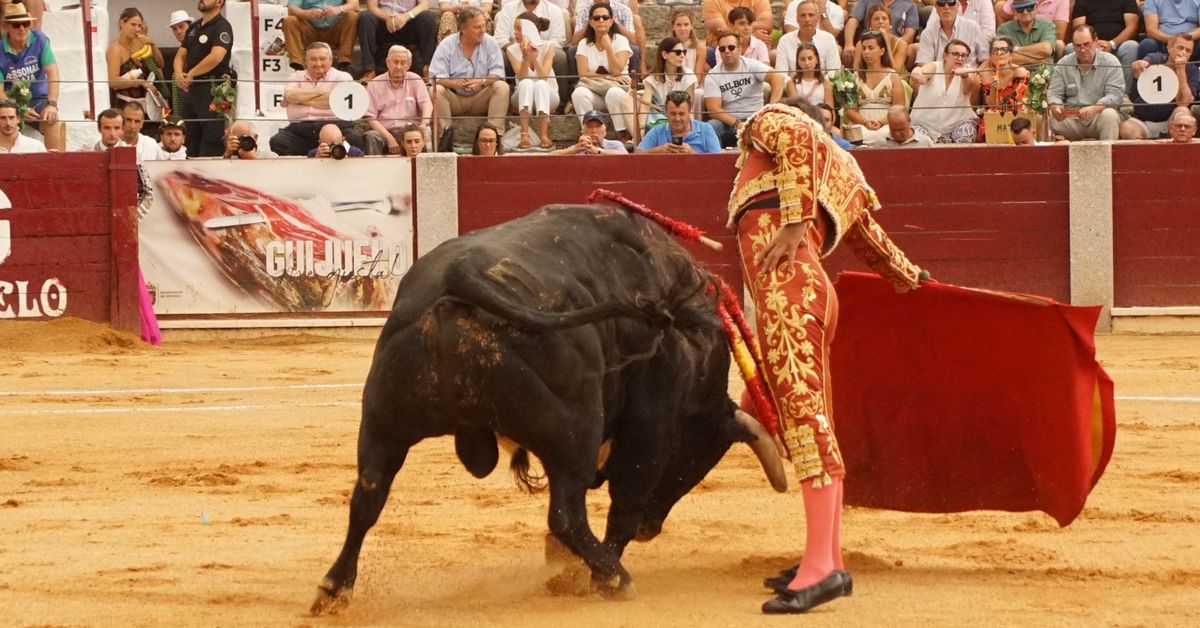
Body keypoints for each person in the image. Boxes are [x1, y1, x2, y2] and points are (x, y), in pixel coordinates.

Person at [726, 96, 925, 615]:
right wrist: (909, 277)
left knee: (807, 426)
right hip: (809, 291)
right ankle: (825, 555)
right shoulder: (842, 167)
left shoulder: (777, 121)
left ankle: (823, 569)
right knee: (813, 422)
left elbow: (797, 139)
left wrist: (793, 223)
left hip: (790, 290)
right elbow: (868, 237)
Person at [429, 7, 509, 150]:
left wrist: (482, 81)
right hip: (455, 98)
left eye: (483, 26)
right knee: (436, 90)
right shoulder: (447, 44)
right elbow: (436, 77)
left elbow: (498, 73)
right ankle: (445, 137)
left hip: (480, 97)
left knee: (502, 87)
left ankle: (495, 137)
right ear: (463, 29)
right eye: (477, 27)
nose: (482, 30)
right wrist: (454, 83)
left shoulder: (490, 42)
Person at [270, 42, 361, 157]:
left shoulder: (343, 77)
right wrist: (322, 93)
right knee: (278, 141)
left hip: (335, 127)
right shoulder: (296, 76)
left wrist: (301, 100)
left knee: (355, 138)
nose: (318, 64)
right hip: (301, 129)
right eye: (313, 59)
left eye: (322, 59)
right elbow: (290, 96)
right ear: (306, 61)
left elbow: (337, 101)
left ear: (331, 60)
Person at [704, 31, 785, 148]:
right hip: (729, 122)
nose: (727, 51)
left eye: (731, 47)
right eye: (722, 49)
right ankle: (716, 160)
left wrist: (770, 108)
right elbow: (713, 109)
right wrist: (737, 124)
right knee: (711, 126)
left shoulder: (751, 65)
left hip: (756, 117)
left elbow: (778, 77)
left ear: (739, 49)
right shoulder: (713, 75)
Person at [174, 0, 233, 158]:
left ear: (219, 2)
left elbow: (216, 57)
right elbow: (181, 54)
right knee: (189, 136)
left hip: (211, 88)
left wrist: (192, 73)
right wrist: (179, 73)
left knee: (212, 137)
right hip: (190, 89)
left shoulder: (222, 26)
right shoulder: (194, 27)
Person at [571, 3, 636, 144]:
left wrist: (608, 46)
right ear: (590, 22)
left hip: (616, 90)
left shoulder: (621, 40)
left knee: (613, 93)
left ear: (611, 20)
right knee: (579, 93)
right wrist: (610, 76)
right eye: (596, 18)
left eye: (605, 17)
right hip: (594, 90)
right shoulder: (584, 43)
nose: (601, 20)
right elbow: (583, 73)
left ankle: (622, 133)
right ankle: (588, 135)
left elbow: (617, 69)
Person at [0, 2, 61, 151]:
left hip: (38, 97)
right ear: (6, 26)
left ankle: (54, 165)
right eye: (16, 25)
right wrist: (19, 109)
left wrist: (52, 104)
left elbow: (53, 73)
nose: (22, 28)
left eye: (26, 23)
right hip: (8, 101)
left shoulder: (39, 39)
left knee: (52, 119)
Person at [1047, 24, 1123, 141]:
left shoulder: (1111, 62)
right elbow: (1054, 94)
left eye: (1087, 45)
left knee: (1110, 115)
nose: (1082, 50)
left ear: (1096, 41)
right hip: (1072, 118)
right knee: (1043, 117)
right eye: (1078, 46)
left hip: (1098, 117)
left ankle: (1107, 156)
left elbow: (1115, 95)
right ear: (1072, 46)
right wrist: (1056, 107)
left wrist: (1094, 108)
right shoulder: (1064, 63)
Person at [1120, 34, 1199, 140]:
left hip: (1170, 122)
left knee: (1183, 111)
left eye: (1188, 50)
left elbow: (1183, 102)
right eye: (1180, 48)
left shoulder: (1193, 70)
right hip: (1143, 121)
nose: (1183, 52)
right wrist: (1139, 65)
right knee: (1126, 129)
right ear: (1169, 47)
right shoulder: (1156, 58)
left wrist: (1180, 70)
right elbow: (1143, 65)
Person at [363, 45, 433, 155]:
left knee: (425, 131)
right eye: (395, 62)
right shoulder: (374, 84)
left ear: (408, 65)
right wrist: (390, 138)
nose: (399, 67)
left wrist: (424, 123)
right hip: (385, 131)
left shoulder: (415, 79)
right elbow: (370, 117)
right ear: (387, 62)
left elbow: (427, 104)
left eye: (403, 63)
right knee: (372, 136)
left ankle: (427, 169)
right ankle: (374, 170)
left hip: (410, 130)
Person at [909, 39, 981, 143]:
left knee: (967, 133)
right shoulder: (934, 66)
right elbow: (923, 72)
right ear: (945, 56)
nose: (960, 58)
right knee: (918, 139)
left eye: (964, 55)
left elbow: (970, 86)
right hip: (925, 125)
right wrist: (918, 72)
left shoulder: (967, 72)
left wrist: (965, 75)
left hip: (957, 125)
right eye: (955, 54)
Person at [506, 12, 560, 149]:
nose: (515, 33)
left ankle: (543, 135)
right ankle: (524, 135)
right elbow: (522, 76)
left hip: (548, 95)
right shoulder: (511, 49)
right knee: (526, 82)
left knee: (541, 83)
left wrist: (534, 58)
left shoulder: (549, 46)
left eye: (519, 29)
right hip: (522, 94)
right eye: (514, 28)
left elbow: (543, 77)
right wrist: (525, 57)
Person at [843, 30, 906, 145]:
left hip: (887, 126)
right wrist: (865, 122)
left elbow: (899, 108)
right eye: (864, 48)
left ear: (882, 51)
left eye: (871, 48)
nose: (866, 52)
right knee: (855, 134)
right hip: (861, 126)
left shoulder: (893, 76)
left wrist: (881, 123)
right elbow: (850, 111)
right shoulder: (854, 78)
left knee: (887, 134)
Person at [106, 8, 166, 128]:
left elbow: (160, 64)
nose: (136, 29)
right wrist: (140, 82)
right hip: (126, 106)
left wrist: (152, 44)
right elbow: (113, 81)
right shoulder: (115, 49)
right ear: (122, 23)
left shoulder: (140, 43)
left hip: (148, 105)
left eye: (139, 25)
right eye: (133, 24)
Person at [1069, 0, 1139, 92]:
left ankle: (1123, 93)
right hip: (1090, 44)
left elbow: (1132, 27)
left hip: (1119, 44)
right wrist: (1094, 45)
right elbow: (1079, 28)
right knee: (1070, 48)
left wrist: (1112, 44)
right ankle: (1081, 92)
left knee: (1131, 47)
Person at [358, 0, 437, 81]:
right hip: (384, 24)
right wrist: (387, 17)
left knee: (427, 17)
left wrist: (406, 16)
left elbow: (425, 4)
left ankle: (427, 69)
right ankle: (369, 70)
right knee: (366, 17)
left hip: (408, 23)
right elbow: (372, 7)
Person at [639, 36, 697, 131]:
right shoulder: (652, 79)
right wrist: (640, 130)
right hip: (658, 120)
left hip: (680, 120)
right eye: (678, 52)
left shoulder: (689, 76)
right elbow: (645, 107)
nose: (682, 55)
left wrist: (691, 131)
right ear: (665, 54)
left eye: (684, 52)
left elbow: (690, 109)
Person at [284, 0, 359, 72]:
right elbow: (291, 9)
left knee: (352, 16)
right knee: (290, 20)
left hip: (335, 30)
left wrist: (339, 9)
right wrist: (306, 13)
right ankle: (297, 64)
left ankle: (344, 62)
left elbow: (355, 5)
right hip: (310, 30)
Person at [636, 90, 721, 153]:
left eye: (681, 114)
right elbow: (636, 156)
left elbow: (717, 160)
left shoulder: (706, 129)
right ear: (666, 112)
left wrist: (692, 154)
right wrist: (658, 150)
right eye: (673, 114)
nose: (677, 118)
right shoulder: (657, 131)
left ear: (690, 112)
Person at [841, 0, 919, 67]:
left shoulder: (909, 5)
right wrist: (848, 44)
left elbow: (909, 34)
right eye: (876, 19)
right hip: (867, 44)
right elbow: (852, 21)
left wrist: (893, 46)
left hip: (893, 45)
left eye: (884, 19)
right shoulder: (865, 1)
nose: (881, 22)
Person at [777, 1, 844, 77]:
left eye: (811, 15)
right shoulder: (785, 41)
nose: (807, 19)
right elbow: (781, 75)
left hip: (822, 85)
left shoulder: (829, 39)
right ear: (797, 19)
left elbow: (833, 73)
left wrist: (817, 85)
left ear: (818, 18)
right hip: (792, 85)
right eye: (803, 15)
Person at [915, 0, 988, 67]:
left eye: (951, 2)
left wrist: (977, 73)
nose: (946, 7)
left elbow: (986, 59)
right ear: (936, 8)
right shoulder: (928, 32)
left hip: (968, 76)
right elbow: (923, 64)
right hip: (939, 77)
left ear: (958, 6)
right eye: (941, 3)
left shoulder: (973, 27)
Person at [996, 0, 1068, 57]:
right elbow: (1003, 56)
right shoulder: (1003, 29)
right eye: (1020, 9)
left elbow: (1047, 49)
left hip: (1041, 71)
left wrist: (1015, 49)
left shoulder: (1048, 25)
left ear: (1036, 8)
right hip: (1015, 70)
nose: (1025, 12)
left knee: (1059, 44)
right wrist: (1036, 53)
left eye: (1030, 7)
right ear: (1014, 11)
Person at [701, 0, 773, 49]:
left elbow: (767, 24)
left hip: (755, 49)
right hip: (723, 50)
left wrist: (746, 33)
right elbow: (722, 32)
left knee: (773, 56)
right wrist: (750, 37)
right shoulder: (711, 1)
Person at [550, 109, 627, 154]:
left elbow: (625, 155)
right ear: (583, 131)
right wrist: (573, 150)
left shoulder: (614, 145)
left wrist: (598, 151)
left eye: (598, 127)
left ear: (605, 131)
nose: (594, 131)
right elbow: (549, 156)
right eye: (590, 127)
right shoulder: (578, 148)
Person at [785, 42, 835, 108]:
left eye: (810, 58)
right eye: (802, 59)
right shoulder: (792, 83)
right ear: (798, 62)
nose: (807, 63)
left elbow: (831, 110)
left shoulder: (825, 82)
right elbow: (795, 108)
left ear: (816, 60)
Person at [671, 9, 708, 83]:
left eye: (686, 24)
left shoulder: (700, 48)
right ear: (673, 27)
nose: (682, 28)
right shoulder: (668, 46)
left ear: (691, 26)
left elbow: (697, 78)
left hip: (693, 85)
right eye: (678, 25)